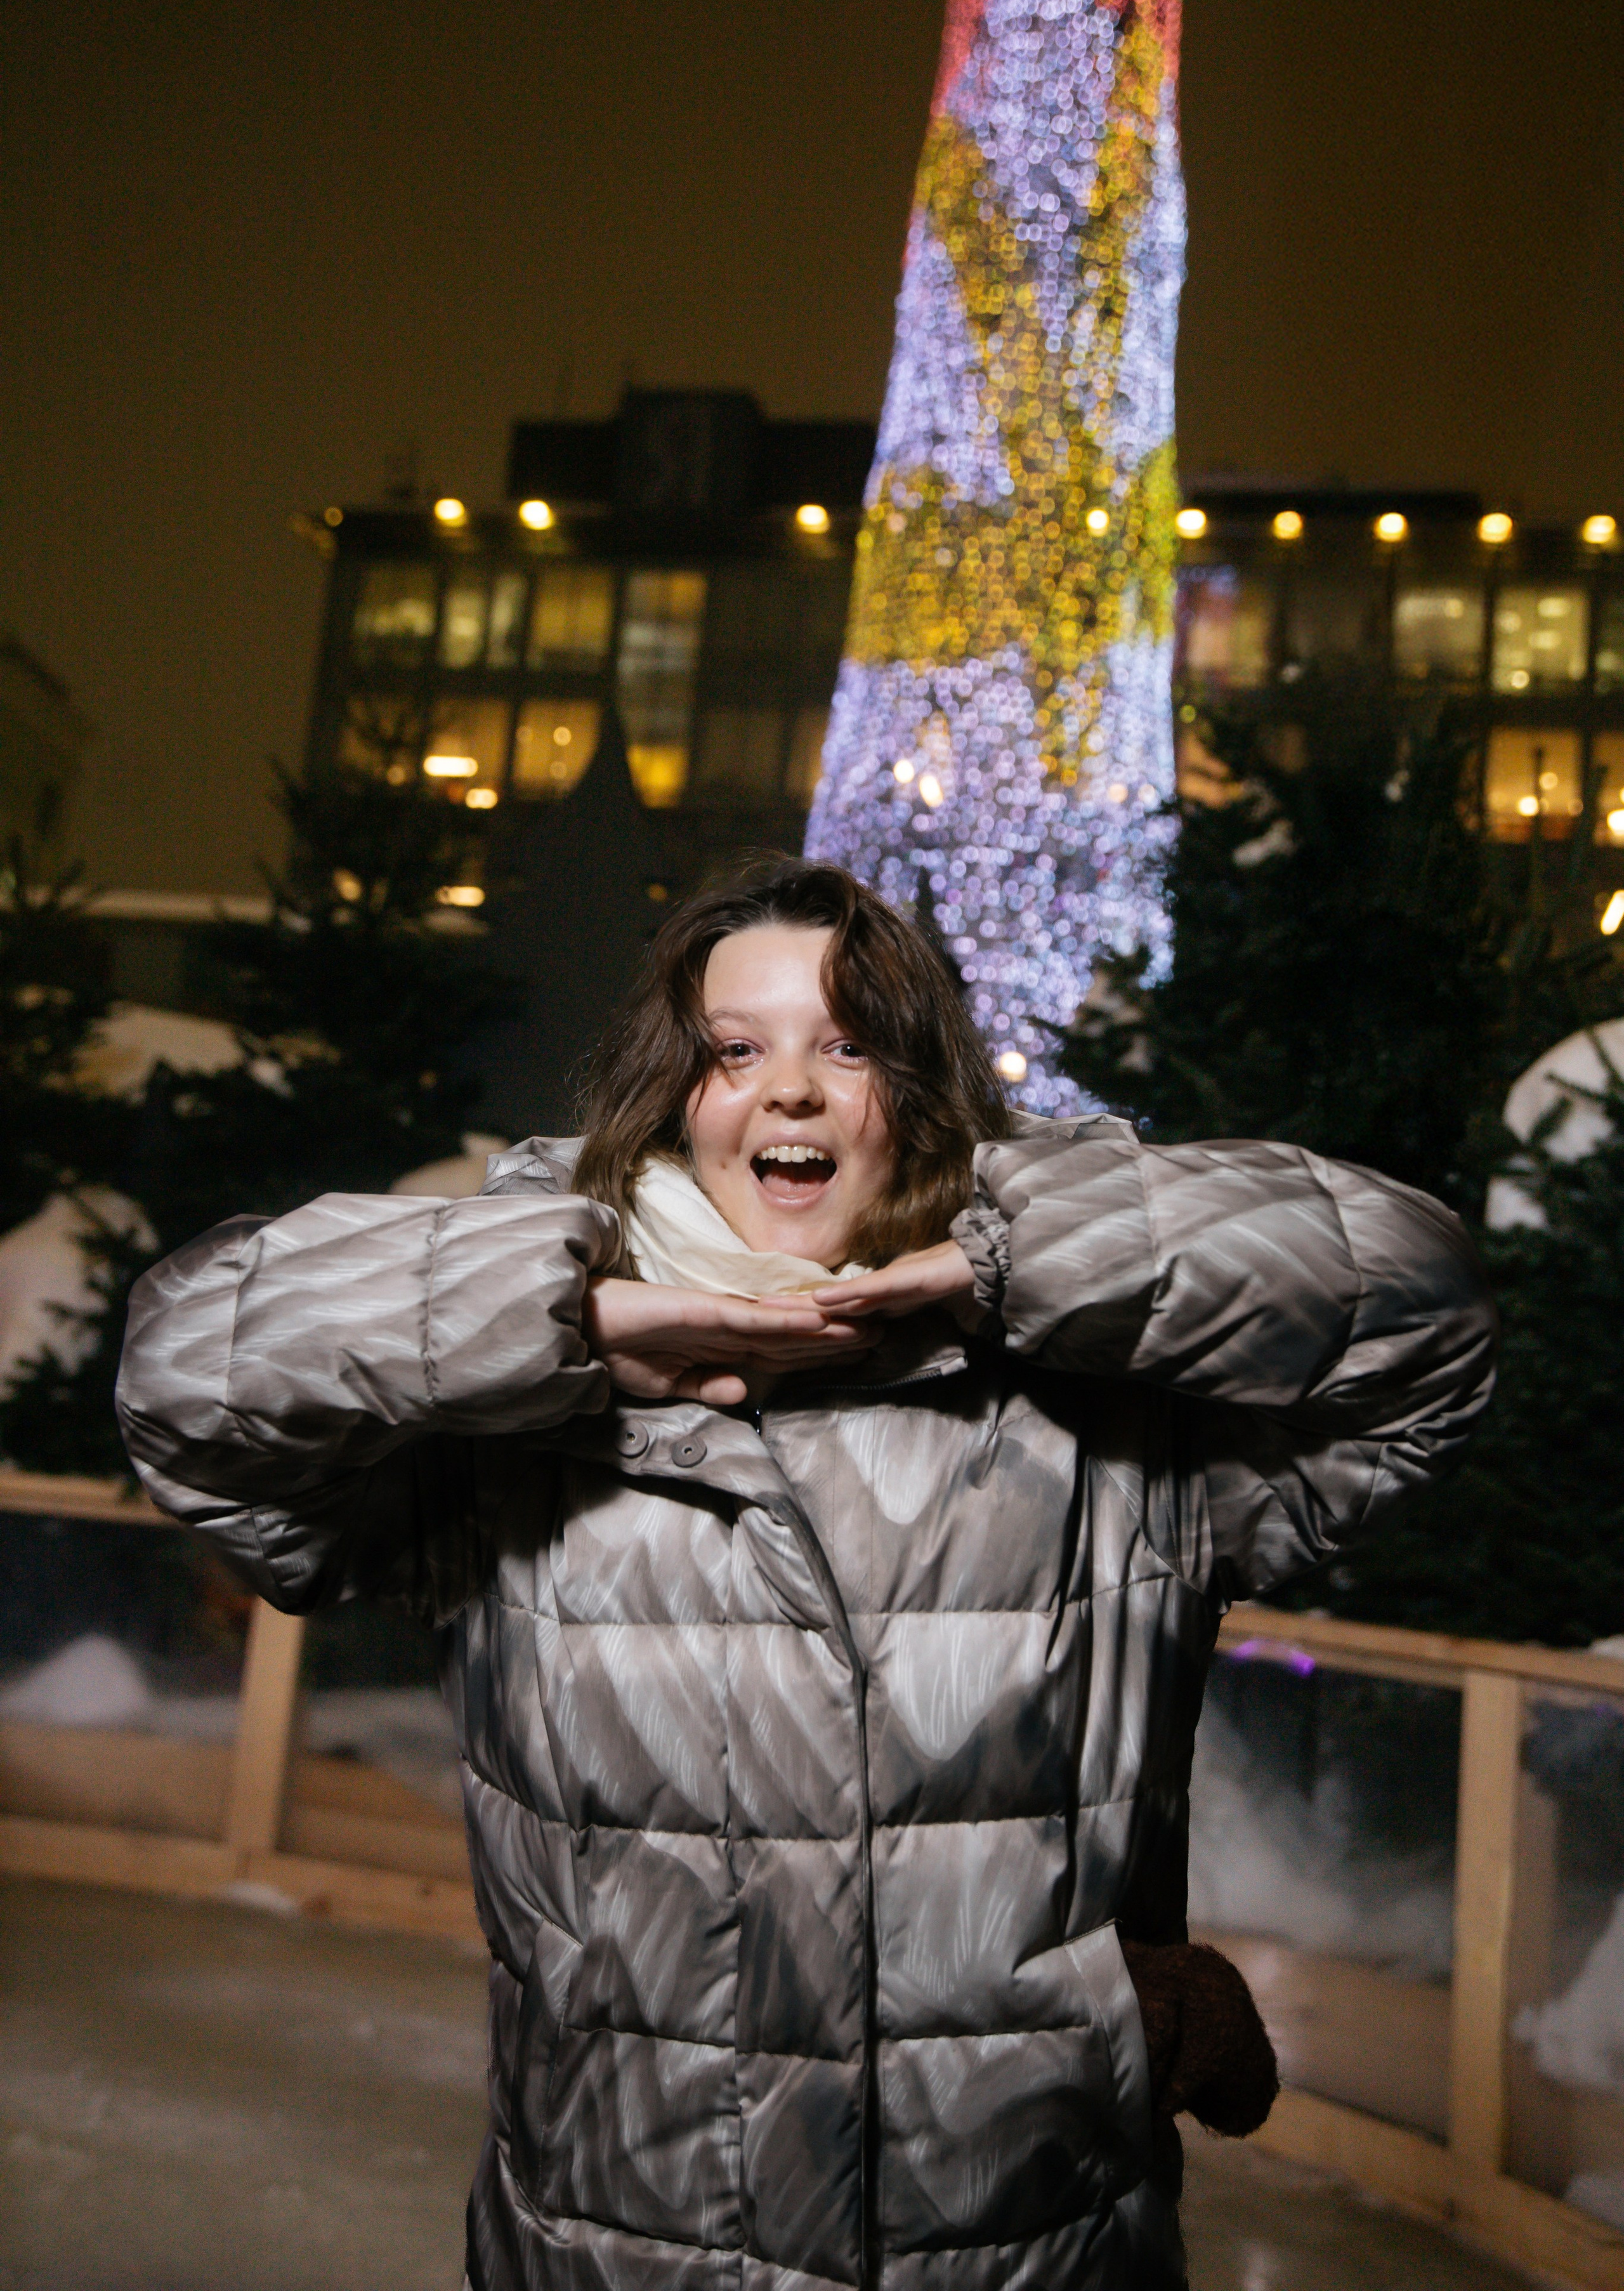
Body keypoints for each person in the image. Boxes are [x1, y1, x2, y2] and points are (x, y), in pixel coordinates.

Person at [116, 857, 1496, 2291]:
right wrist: (564, 1322)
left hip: (1023, 2252)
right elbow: (185, 1380)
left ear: (920, 1086)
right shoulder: (513, 1426)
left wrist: (1026, 1255)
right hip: (621, 2253)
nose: (789, 1089)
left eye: (848, 1044)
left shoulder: (1115, 1426)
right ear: (676, 1096)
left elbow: (1423, 1312)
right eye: (734, 1050)